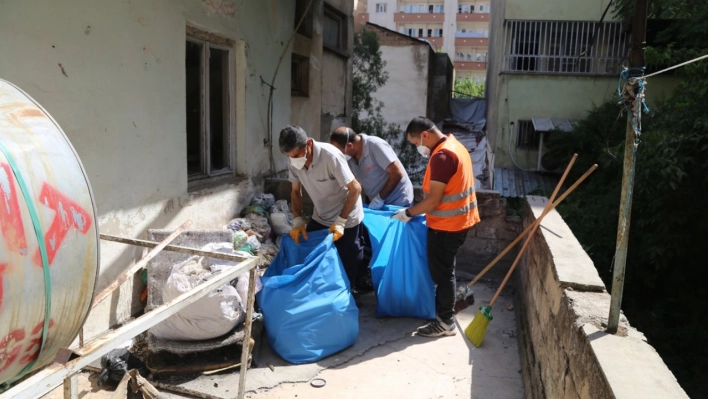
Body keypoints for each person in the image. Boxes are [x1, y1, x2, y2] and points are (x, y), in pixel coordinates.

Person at [391, 116, 480, 337]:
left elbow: (434, 201)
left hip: (447, 226)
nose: (417, 147)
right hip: (461, 220)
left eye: (415, 143)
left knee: (443, 275)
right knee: (446, 270)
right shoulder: (455, 145)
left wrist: (408, 212)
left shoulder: (442, 156)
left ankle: (445, 322)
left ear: (425, 135)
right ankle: (446, 313)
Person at [279, 125, 368, 292]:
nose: (294, 159)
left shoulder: (331, 156)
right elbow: (295, 192)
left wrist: (341, 221)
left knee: (347, 262)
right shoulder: (294, 162)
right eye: (289, 156)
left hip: (347, 217)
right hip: (321, 216)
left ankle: (346, 299)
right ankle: (321, 298)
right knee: (313, 257)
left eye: (296, 155)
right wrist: (297, 219)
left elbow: (355, 188)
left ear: (309, 145)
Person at [329, 127, 414, 209]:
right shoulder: (350, 158)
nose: (339, 155)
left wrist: (380, 198)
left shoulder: (375, 145)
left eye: (339, 152)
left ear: (350, 146)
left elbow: (397, 173)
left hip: (399, 202)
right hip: (376, 204)